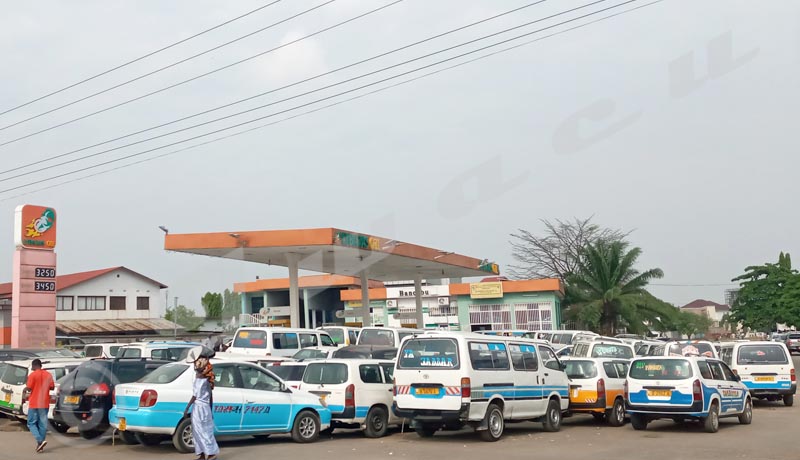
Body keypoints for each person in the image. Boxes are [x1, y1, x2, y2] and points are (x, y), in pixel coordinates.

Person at [184, 348, 219, 460]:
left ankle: (211, 453)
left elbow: (195, 395)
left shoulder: (203, 380)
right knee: (198, 431)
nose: (196, 366)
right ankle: (202, 454)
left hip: (201, 409)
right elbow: (209, 397)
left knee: (204, 431)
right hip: (200, 408)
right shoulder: (202, 379)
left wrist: (187, 408)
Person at [25, 359, 54, 453]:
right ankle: (40, 445)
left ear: (34, 365)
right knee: (42, 424)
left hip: (34, 403)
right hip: (44, 403)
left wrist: (26, 389)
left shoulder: (32, 375)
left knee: (31, 423)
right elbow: (52, 387)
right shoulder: (48, 375)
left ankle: (39, 440)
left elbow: (29, 388)